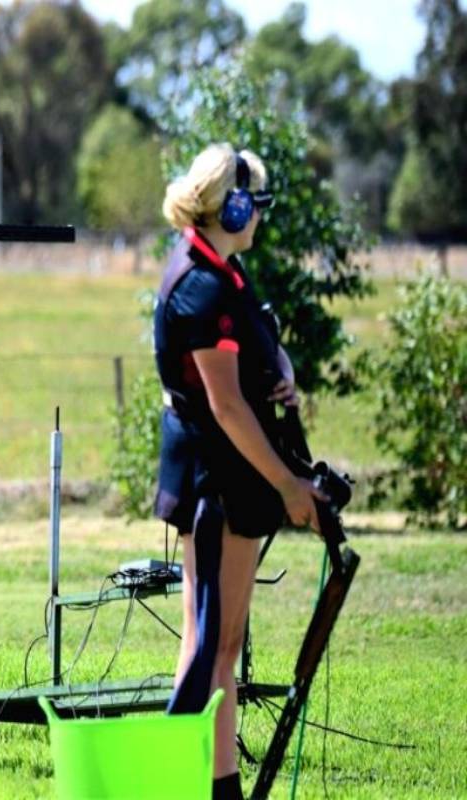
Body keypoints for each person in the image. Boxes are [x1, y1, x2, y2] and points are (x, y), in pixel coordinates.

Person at [153, 144, 324, 800]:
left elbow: (257, 340)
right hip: (215, 476)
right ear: (235, 204)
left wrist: (279, 366)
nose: (262, 216)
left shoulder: (220, 268)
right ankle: (192, 781)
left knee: (218, 642)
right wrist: (287, 483)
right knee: (211, 643)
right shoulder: (201, 285)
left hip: (226, 469)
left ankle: (212, 782)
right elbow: (224, 405)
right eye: (259, 202)